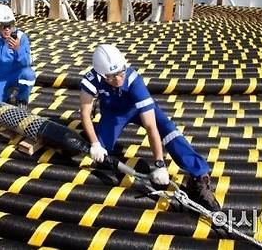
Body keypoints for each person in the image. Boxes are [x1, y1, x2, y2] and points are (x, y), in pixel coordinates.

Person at [79, 44, 220, 211]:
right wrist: (95, 143)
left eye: (120, 73)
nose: (118, 79)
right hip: (113, 113)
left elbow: (151, 126)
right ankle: (96, 138)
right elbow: (85, 113)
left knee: (168, 130)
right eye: (111, 77)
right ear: (101, 74)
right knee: (101, 152)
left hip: (136, 109)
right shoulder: (90, 79)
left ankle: (199, 176)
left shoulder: (133, 81)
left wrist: (160, 164)